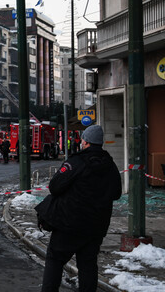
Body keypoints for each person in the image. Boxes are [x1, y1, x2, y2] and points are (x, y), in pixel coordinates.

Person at [39, 125, 122, 292]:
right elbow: (117, 193)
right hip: (96, 227)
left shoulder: (76, 162)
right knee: (88, 265)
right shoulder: (110, 165)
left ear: (86, 142)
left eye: (83, 140)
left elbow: (55, 186)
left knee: (55, 259)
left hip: (69, 224)